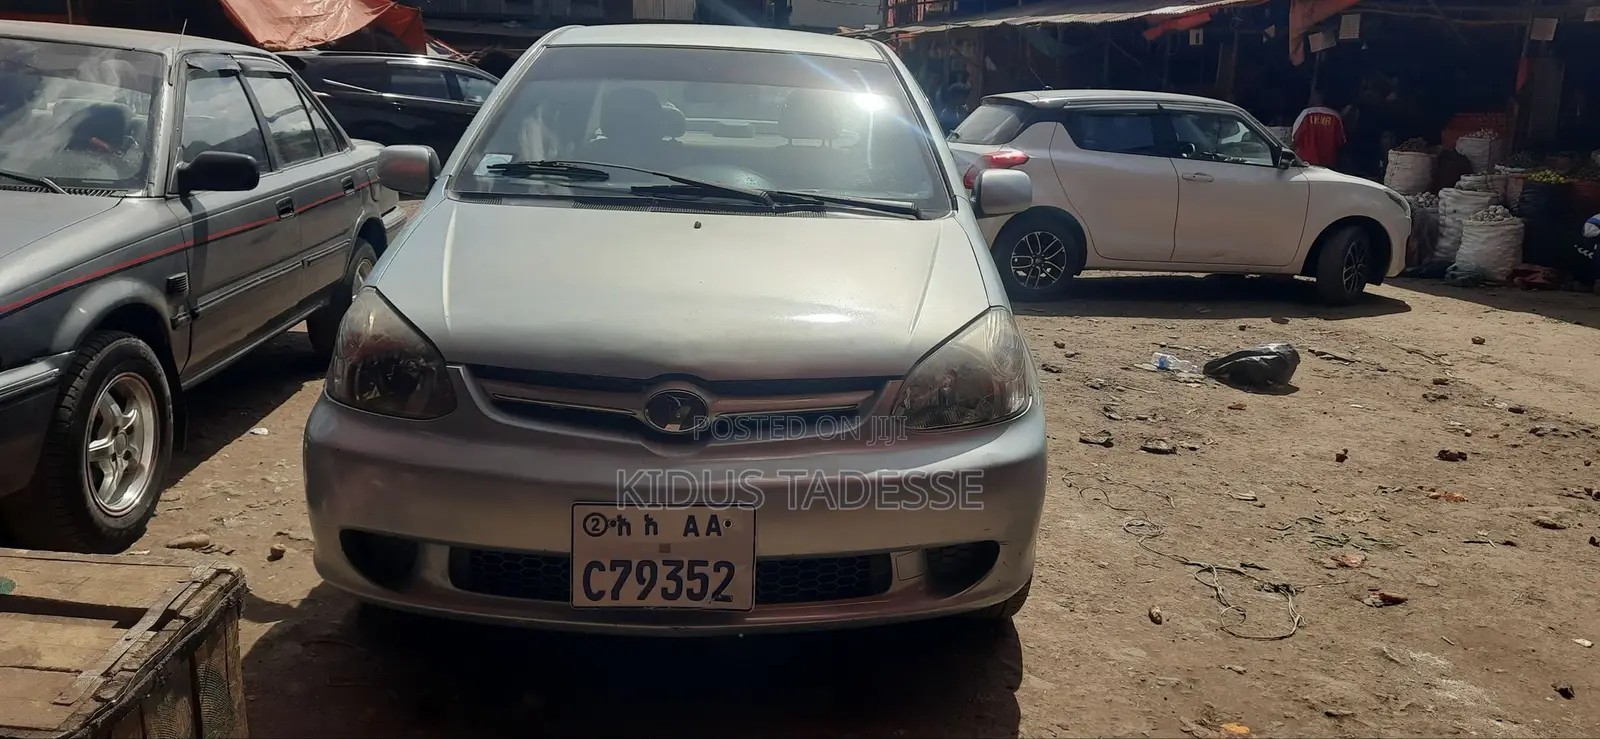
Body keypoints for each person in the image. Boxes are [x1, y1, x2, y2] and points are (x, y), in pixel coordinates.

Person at [1291, 91, 1345, 168]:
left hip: (1305, 163)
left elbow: (1294, 139)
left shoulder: (1305, 114)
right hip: (1328, 165)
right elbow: (1341, 142)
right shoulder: (1335, 116)